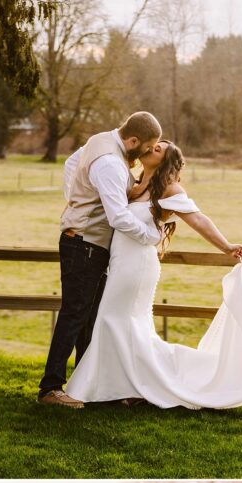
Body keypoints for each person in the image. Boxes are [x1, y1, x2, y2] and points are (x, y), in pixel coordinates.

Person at [65, 140, 242, 409]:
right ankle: (128, 387)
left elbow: (198, 218)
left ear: (166, 161)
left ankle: (99, 388)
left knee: (111, 319)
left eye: (160, 148)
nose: (154, 148)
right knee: (125, 325)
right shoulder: (134, 184)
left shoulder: (169, 188)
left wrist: (226, 246)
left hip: (138, 266)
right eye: (154, 144)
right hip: (120, 263)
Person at [38, 112, 163, 408]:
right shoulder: (111, 164)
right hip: (85, 244)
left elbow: (72, 164)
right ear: (132, 140)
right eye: (145, 148)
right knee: (75, 315)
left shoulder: (100, 141)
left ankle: (87, 385)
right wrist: (149, 235)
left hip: (86, 242)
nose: (145, 154)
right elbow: (118, 216)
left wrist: (77, 198)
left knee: (89, 318)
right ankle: (50, 388)